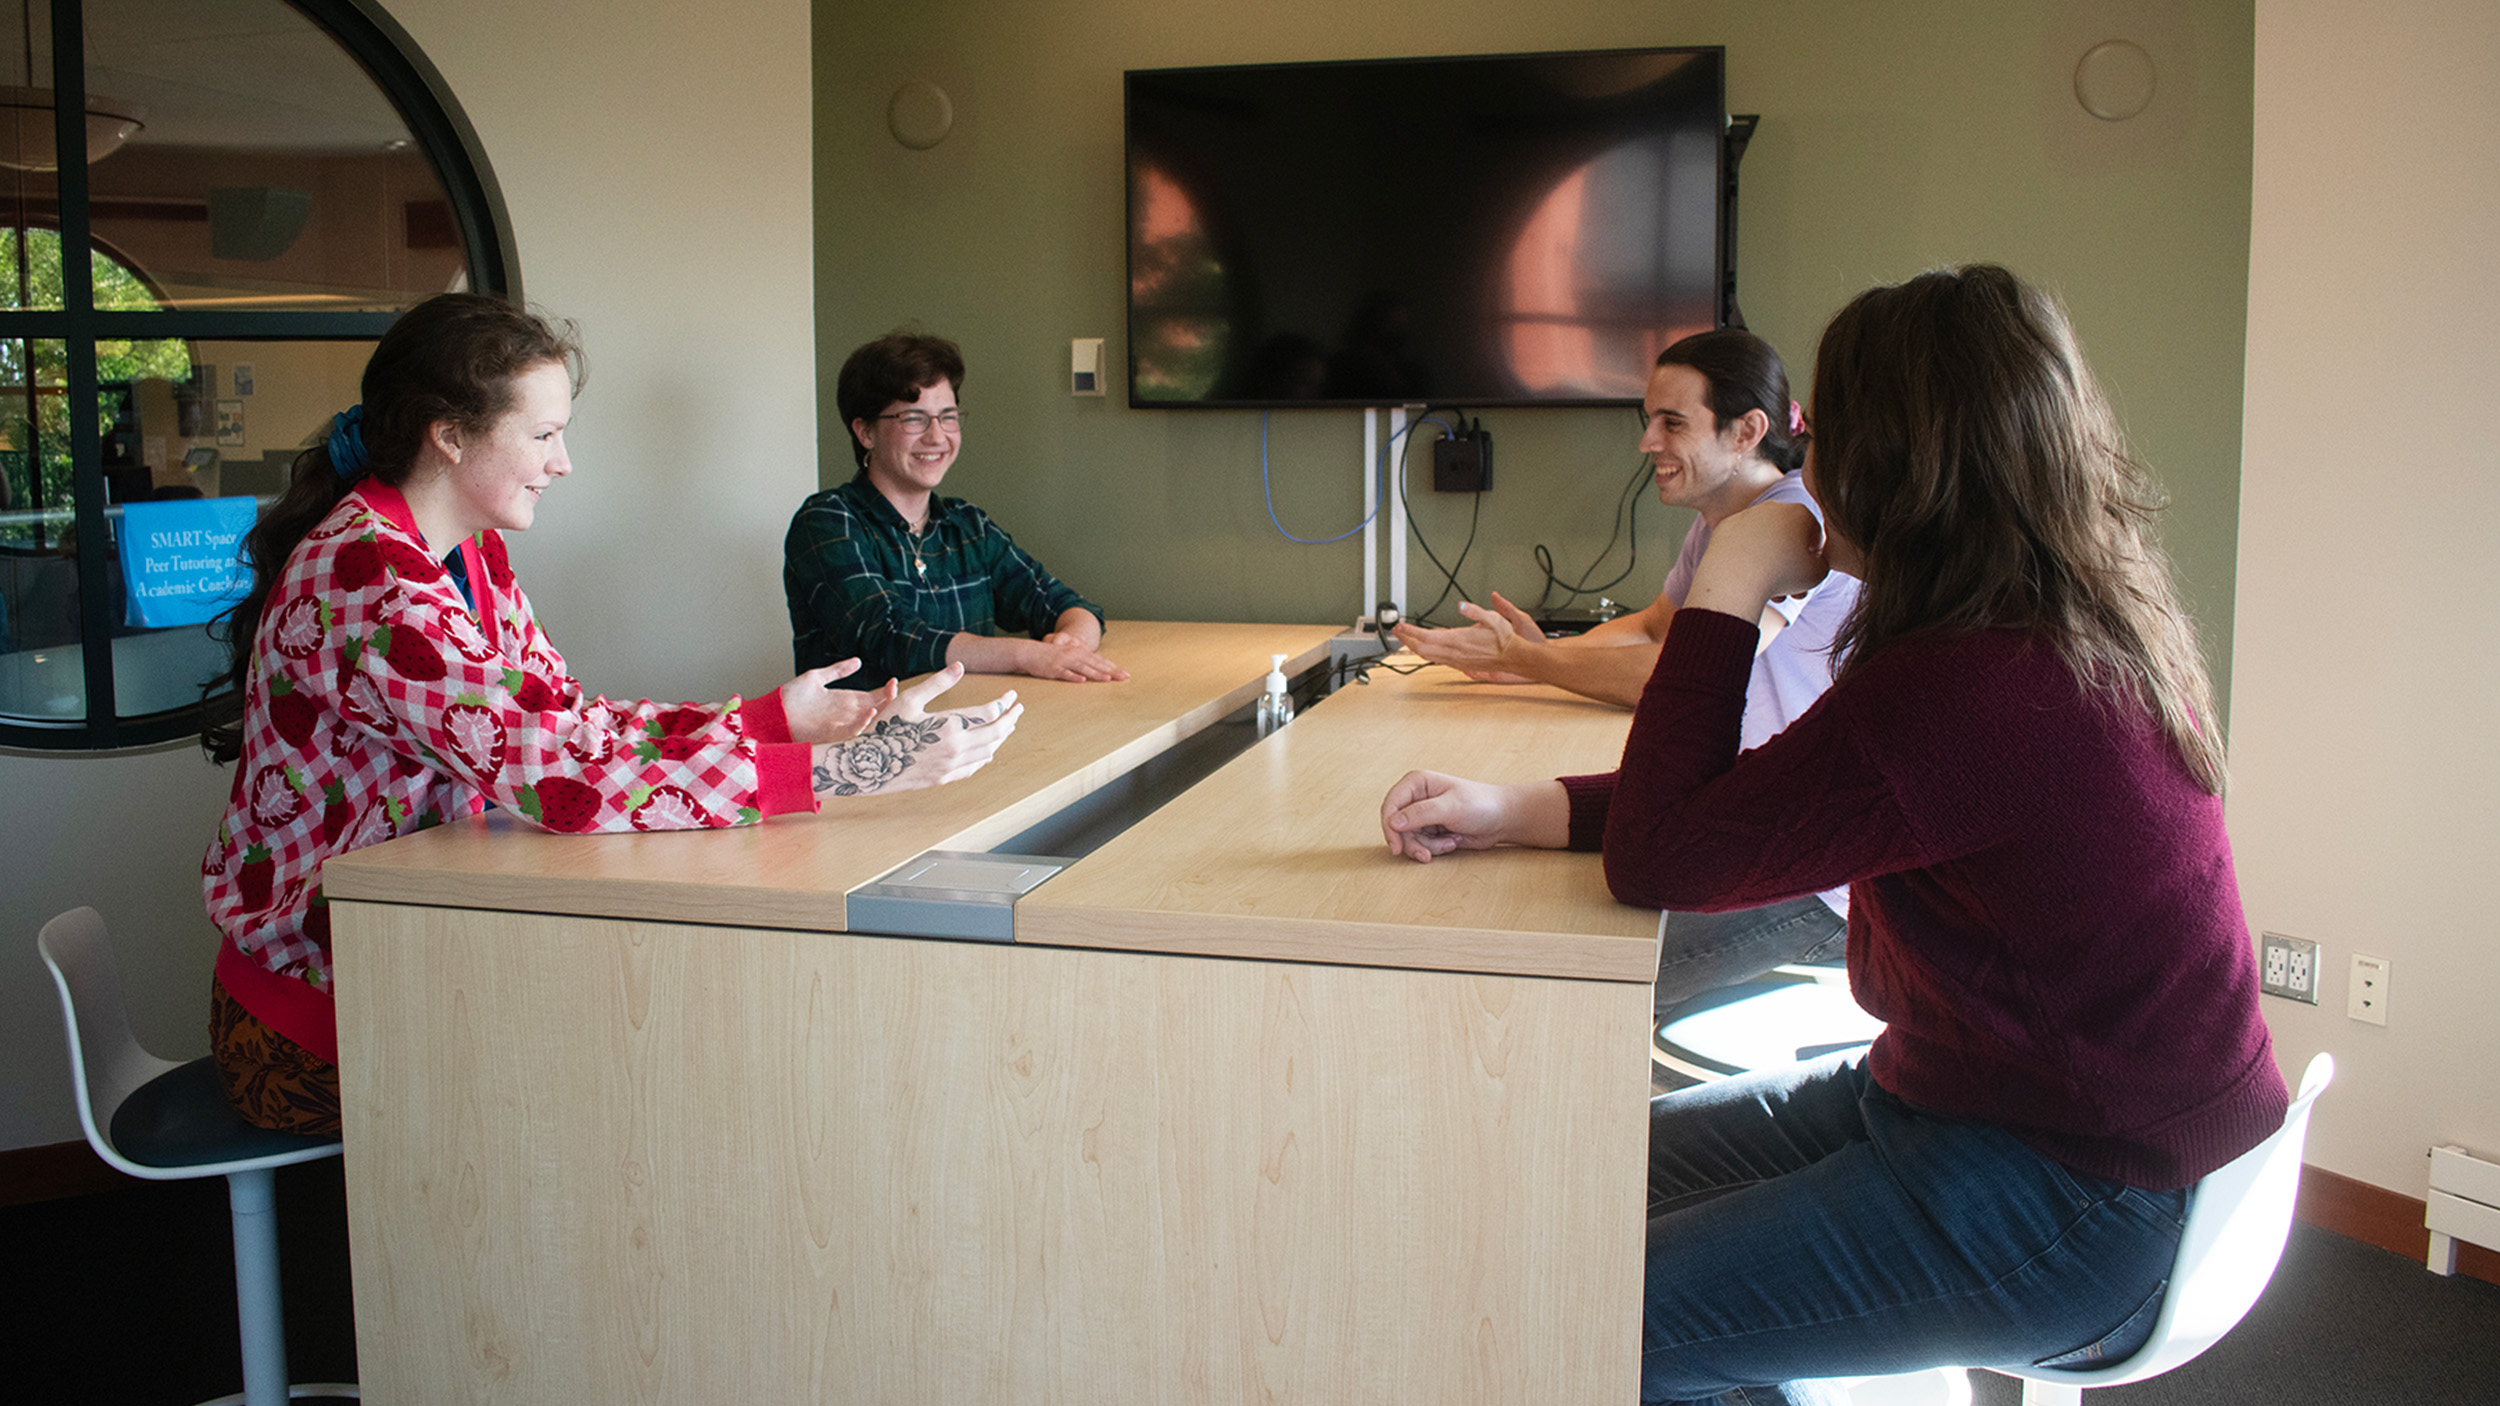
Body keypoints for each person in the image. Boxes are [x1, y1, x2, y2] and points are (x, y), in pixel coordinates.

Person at [1379, 266, 2288, 1404]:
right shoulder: (2040, 624)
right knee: (1563, 1179)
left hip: (2076, 1193)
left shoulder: (1971, 684)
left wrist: (1735, 573)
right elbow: (1747, 807)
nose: (1810, 471)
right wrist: (1512, 809)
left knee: (1584, 1321)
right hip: (1975, 1111)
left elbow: (1667, 854)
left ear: (1899, 461)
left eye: (1832, 435)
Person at [199, 294, 1021, 1135]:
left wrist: (781, 720)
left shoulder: (464, 553)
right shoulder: (373, 579)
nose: (564, 464)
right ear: (448, 435)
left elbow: (568, 722)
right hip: (317, 1018)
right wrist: (854, 770)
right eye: (545, 435)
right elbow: (562, 781)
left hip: (414, 962)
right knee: (638, 1091)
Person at [1396, 328, 1860, 1012]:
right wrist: (1534, 664)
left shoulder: (1791, 525)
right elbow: (1653, 627)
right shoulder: (1718, 520)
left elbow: (1677, 678)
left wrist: (1536, 660)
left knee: (1568, 992)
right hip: (1737, 814)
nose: (1648, 442)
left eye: (1672, 423)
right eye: (1649, 420)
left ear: (1747, 431)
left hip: (1815, 880)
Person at [784, 332, 1126, 687]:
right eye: (913, 418)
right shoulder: (827, 520)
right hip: (863, 737)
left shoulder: (967, 525)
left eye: (948, 417)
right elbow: (891, 635)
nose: (937, 436)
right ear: (865, 432)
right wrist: (1027, 654)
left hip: (966, 731)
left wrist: (1073, 642)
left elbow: (1060, 602)